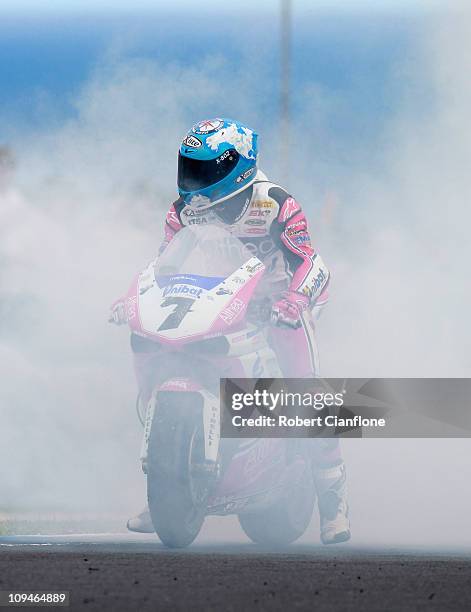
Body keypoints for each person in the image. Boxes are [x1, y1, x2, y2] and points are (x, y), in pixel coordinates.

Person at [116, 118, 350, 544]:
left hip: (277, 307)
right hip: (213, 304)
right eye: (189, 167)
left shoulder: (277, 203)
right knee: (160, 354)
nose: (193, 180)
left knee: (305, 388)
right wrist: (135, 300)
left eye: (203, 170)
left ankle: (332, 501)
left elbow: (312, 263)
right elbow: (165, 264)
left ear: (235, 166)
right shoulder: (182, 210)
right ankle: (165, 489)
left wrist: (294, 302)